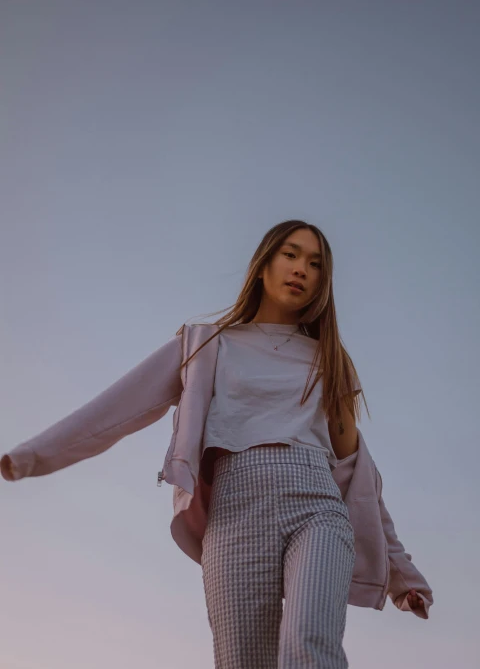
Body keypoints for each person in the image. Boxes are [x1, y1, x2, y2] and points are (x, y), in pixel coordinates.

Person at [1, 219, 433, 668]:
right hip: (235, 516)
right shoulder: (205, 345)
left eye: (316, 264)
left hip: (317, 508)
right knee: (242, 661)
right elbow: (117, 408)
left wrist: (401, 576)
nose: (302, 269)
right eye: (290, 254)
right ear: (263, 266)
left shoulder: (331, 360)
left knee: (308, 647)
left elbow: (358, 475)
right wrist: (34, 455)